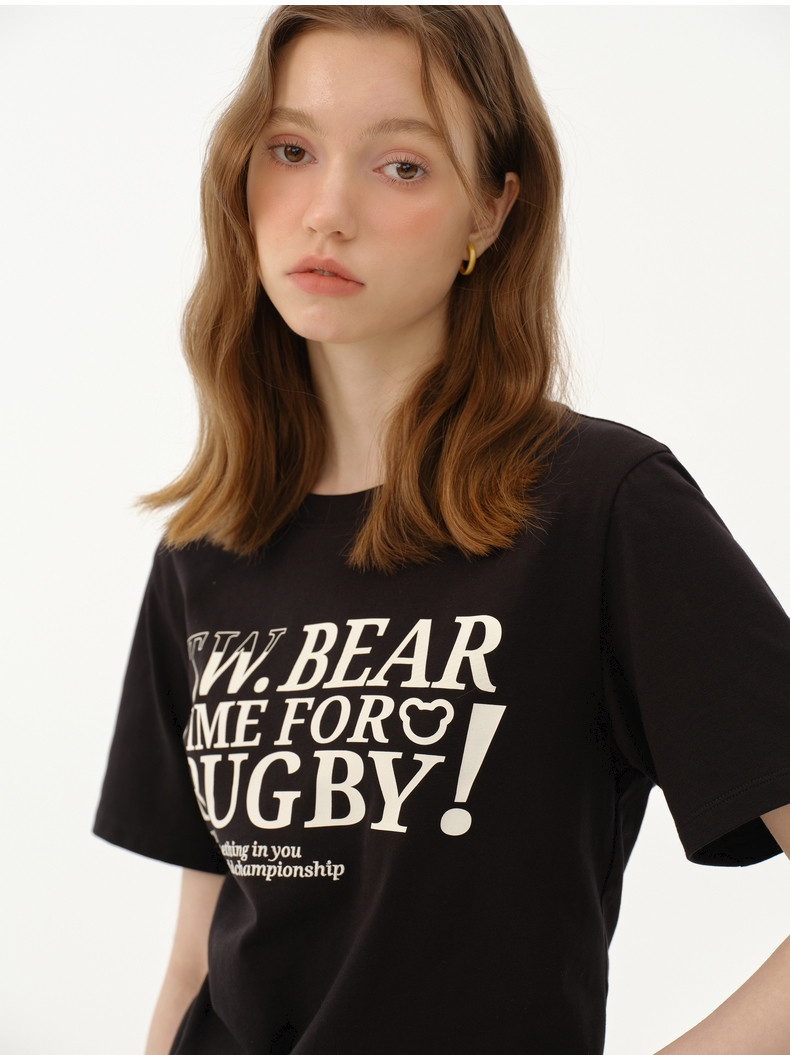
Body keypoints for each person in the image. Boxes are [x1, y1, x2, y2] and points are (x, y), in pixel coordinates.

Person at [94, 6, 790, 1054]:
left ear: (492, 209)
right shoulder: (208, 542)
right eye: (291, 150)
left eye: (402, 166)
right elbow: (197, 959)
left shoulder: (601, 504)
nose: (327, 211)